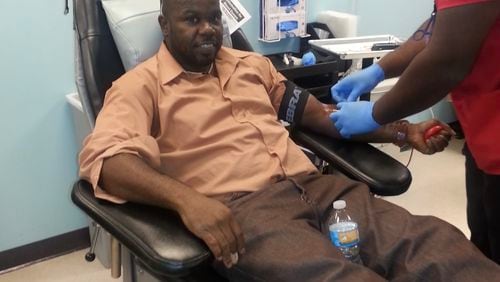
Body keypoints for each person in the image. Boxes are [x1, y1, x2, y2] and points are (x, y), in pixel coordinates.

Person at [79, 0, 500, 280]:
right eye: (192, 19)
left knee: (439, 247)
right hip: (248, 214)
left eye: (214, 18)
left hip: (324, 189)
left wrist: (401, 131)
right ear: (163, 25)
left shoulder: (252, 65)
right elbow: (107, 162)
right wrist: (188, 202)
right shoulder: (139, 87)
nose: (208, 29)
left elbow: (320, 118)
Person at [330, 0, 500, 264]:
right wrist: (380, 70)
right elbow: (442, 25)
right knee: (484, 248)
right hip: (486, 132)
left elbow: (448, 59)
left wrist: (379, 116)